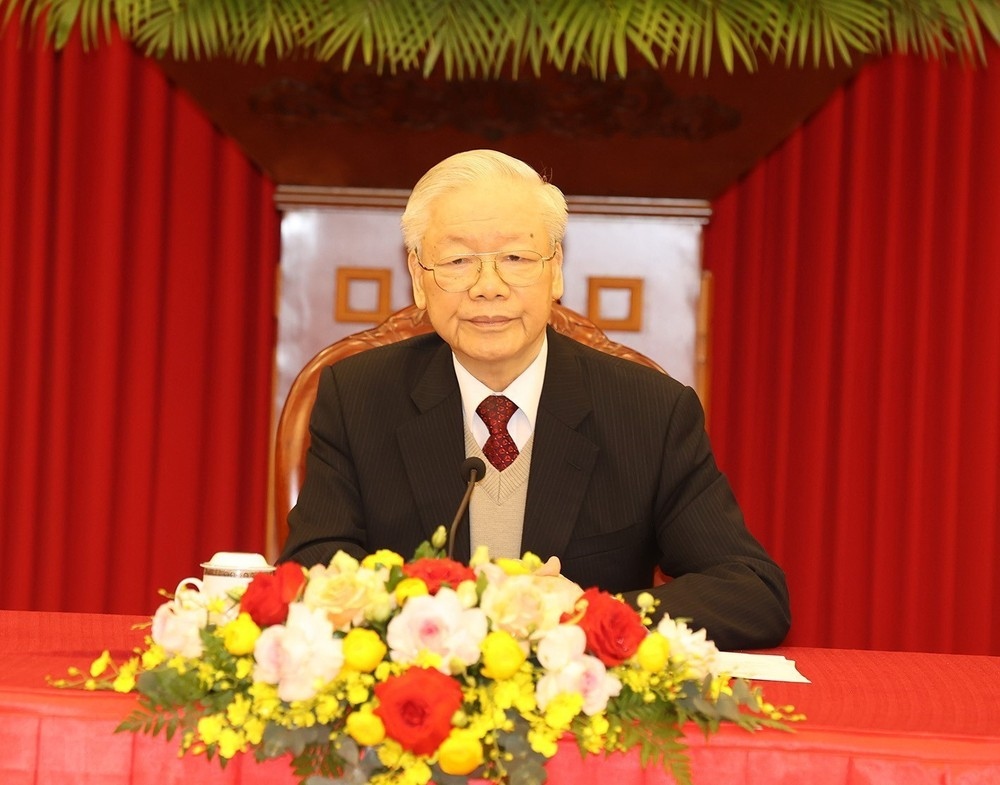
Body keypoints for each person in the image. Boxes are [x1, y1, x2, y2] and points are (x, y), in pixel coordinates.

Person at [279, 149, 790, 651]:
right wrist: (422, 621)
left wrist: (588, 615)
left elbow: (753, 593)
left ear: (556, 269)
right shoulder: (359, 398)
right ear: (418, 277)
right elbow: (310, 572)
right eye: (458, 261)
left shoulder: (648, 412)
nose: (488, 287)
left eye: (516, 259)